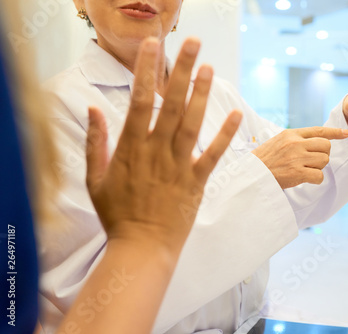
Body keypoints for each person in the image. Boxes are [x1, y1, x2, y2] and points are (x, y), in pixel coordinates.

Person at [39, 1, 348, 333]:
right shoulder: (54, 111)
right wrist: (258, 174)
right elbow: (84, 298)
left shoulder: (217, 94)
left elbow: (296, 187)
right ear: (78, 2)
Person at [0, 1, 242, 332]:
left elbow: (305, 173)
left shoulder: (220, 96)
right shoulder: (54, 110)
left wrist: (341, 127)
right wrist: (262, 184)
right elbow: (75, 292)